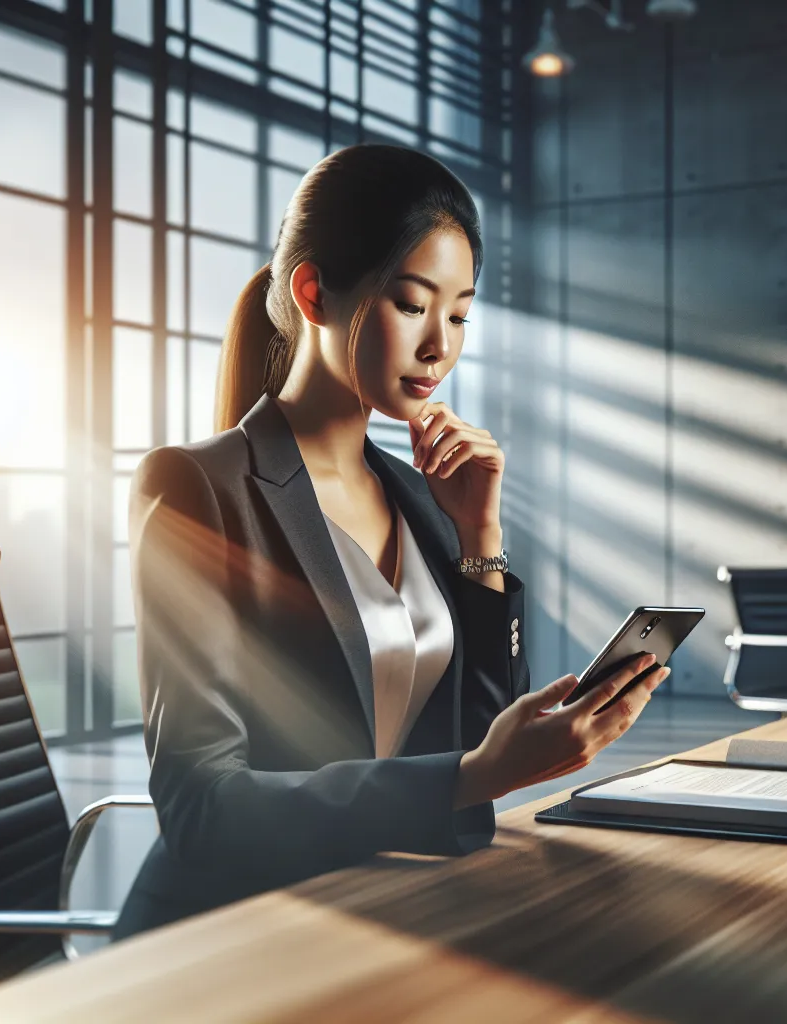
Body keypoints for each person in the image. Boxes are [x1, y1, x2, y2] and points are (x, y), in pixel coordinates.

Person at [113, 144, 665, 937]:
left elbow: (475, 745)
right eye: (413, 304)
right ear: (314, 293)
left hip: (387, 906)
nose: (441, 344)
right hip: (230, 930)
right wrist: (474, 773)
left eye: (461, 314)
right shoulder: (199, 487)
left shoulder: (418, 495)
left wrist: (480, 532)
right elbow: (202, 806)